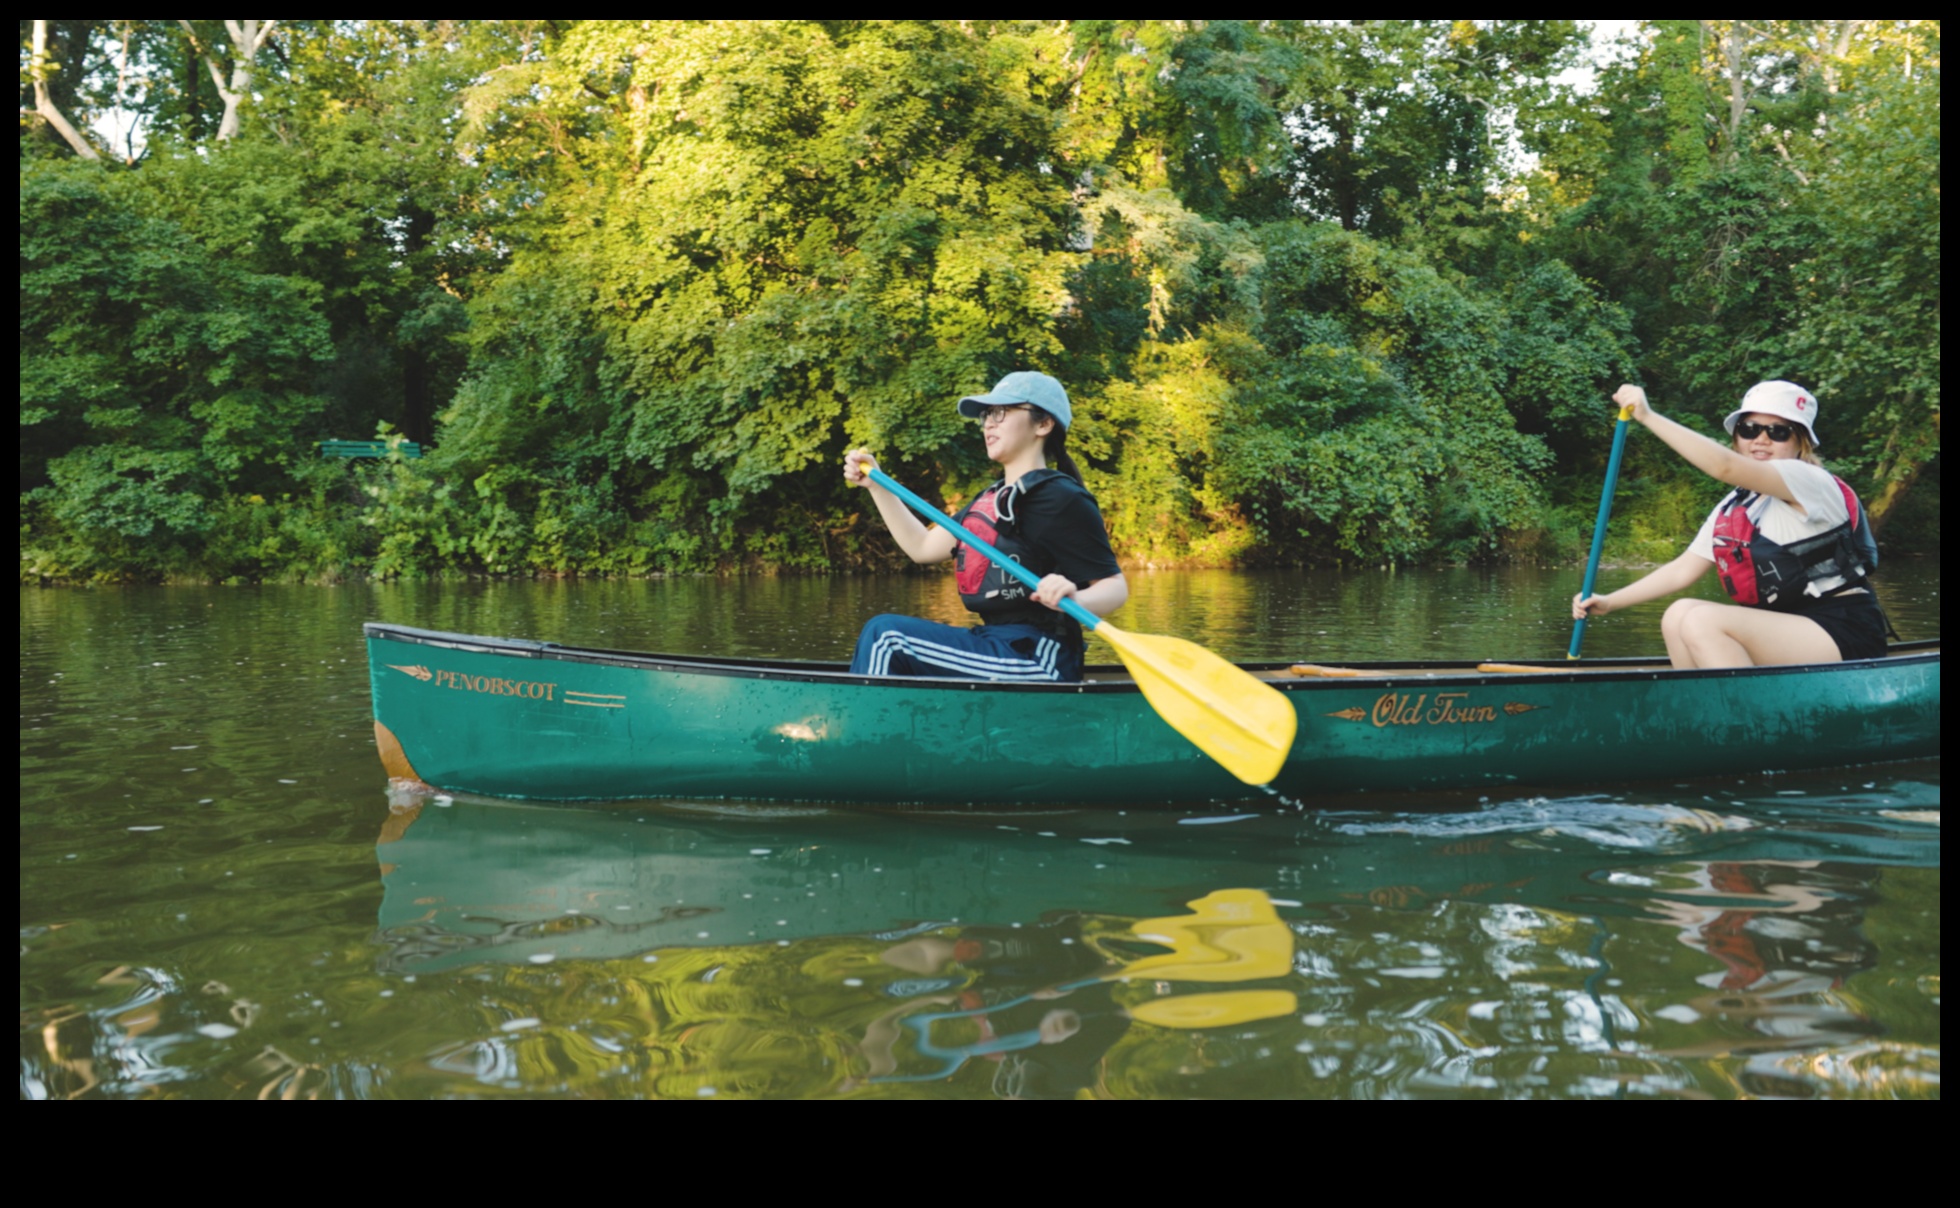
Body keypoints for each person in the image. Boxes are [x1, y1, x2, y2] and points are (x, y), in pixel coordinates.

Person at [1572, 381, 1887, 668]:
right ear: (1737, 436)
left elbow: (1723, 466)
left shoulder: (1808, 479)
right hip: (1787, 627)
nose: (1761, 440)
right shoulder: (1737, 504)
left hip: (1844, 628)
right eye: (1749, 429)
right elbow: (1683, 570)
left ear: (1800, 442)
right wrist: (1610, 601)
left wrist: (1648, 416)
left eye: (1778, 431)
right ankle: (1703, 712)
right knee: (1677, 614)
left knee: (1703, 621)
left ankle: (1741, 720)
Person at [842, 371, 1127, 682]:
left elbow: (1115, 588)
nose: (989, 423)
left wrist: (1076, 599)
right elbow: (921, 548)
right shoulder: (991, 500)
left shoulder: (1062, 498)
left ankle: (865, 730)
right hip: (994, 643)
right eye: (987, 415)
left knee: (887, 638)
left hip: (1039, 658)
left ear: (1043, 424)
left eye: (1001, 412)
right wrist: (877, 487)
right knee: (885, 637)